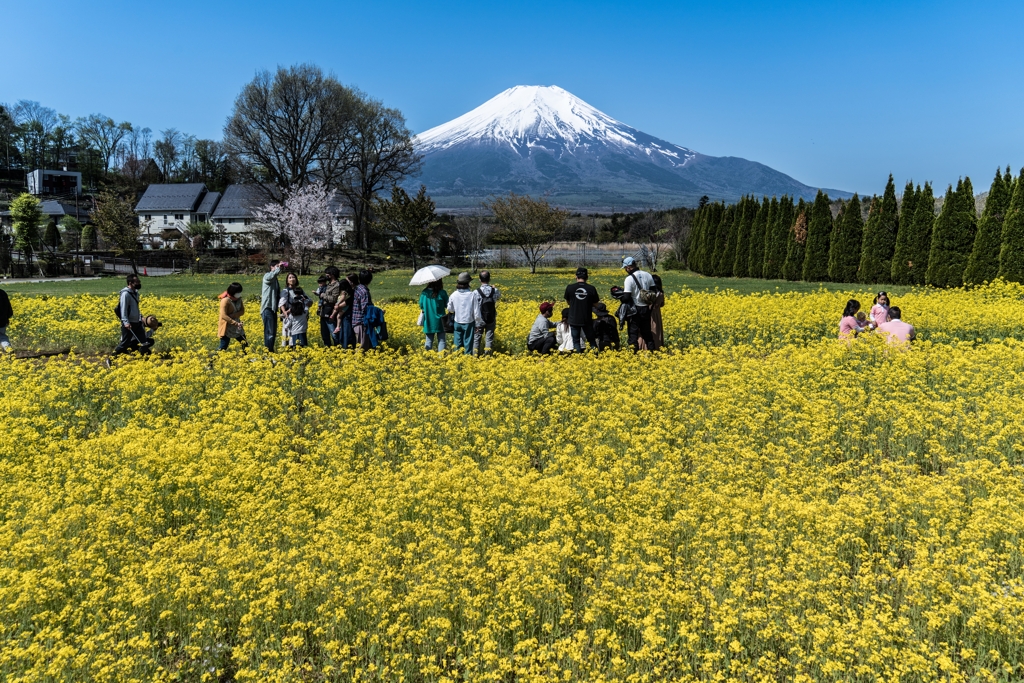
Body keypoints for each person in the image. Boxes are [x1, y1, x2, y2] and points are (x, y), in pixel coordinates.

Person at [621, 256, 656, 351]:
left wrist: (621, 297)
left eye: (625, 268)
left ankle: (634, 354)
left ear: (628, 267)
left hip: (634, 309)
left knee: (633, 333)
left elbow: (626, 297)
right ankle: (652, 352)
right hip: (646, 308)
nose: (625, 270)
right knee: (647, 333)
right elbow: (653, 291)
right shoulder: (648, 275)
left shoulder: (629, 279)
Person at [563, 267, 599, 353]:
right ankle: (596, 355)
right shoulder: (591, 288)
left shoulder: (570, 288)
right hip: (587, 318)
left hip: (573, 318)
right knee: (591, 339)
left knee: (576, 341)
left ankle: (578, 357)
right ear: (587, 277)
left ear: (576, 276)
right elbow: (596, 304)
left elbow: (568, 302)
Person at [113, 274, 150, 356]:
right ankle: (111, 358)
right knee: (124, 344)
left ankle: (144, 362)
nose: (139, 283)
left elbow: (135, 308)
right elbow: (123, 309)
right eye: (137, 282)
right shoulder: (125, 294)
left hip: (137, 322)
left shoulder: (135, 293)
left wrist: (140, 317)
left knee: (144, 343)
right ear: (130, 283)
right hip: (129, 323)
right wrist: (126, 322)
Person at [260, 260, 288, 351]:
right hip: (267, 308)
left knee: (273, 332)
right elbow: (271, 276)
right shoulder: (267, 276)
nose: (278, 268)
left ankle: (270, 350)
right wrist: (278, 268)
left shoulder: (275, 279)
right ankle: (268, 352)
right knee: (269, 332)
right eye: (276, 266)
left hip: (273, 309)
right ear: (271, 267)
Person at [447, 271, 476, 354]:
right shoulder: (472, 295)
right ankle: (467, 360)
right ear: (468, 283)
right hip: (469, 321)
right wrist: (478, 323)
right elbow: (476, 311)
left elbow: (450, 309)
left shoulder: (453, 294)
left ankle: (458, 359)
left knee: (457, 342)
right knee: (468, 343)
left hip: (457, 321)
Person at [472, 270, 500, 355]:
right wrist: (493, 288)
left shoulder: (476, 292)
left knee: (477, 338)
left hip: (479, 318)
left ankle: (475, 356)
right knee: (489, 338)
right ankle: (487, 356)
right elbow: (498, 297)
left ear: (479, 280)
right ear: (489, 279)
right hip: (491, 317)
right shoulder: (495, 290)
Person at [419, 278, 449, 352]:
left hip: (428, 320)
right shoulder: (442, 293)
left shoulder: (424, 293)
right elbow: (447, 305)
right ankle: (441, 358)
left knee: (428, 340)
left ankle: (428, 358)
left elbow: (421, 305)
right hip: (441, 320)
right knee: (442, 340)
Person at [217, 282, 247, 351]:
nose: (239, 294)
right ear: (233, 292)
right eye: (238, 292)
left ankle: (248, 358)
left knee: (244, 343)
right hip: (227, 327)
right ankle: (212, 360)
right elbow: (223, 315)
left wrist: (234, 315)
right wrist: (235, 322)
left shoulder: (239, 299)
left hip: (237, 326)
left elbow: (242, 311)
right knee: (223, 346)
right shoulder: (225, 301)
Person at [317, 267, 342, 346]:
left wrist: (322, 295)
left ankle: (337, 347)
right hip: (324, 311)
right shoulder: (328, 285)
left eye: (327, 274)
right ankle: (327, 348)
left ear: (332, 274)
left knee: (333, 332)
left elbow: (333, 299)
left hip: (331, 311)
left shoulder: (337, 285)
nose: (326, 275)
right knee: (324, 333)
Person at [331, 274, 355, 348]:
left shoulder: (352, 291)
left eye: (348, 280)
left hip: (348, 312)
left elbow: (349, 301)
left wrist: (338, 305)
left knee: (347, 332)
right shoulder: (347, 290)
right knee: (344, 331)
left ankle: (347, 347)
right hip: (345, 312)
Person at [351, 270, 373, 350]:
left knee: (360, 344)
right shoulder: (364, 291)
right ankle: (357, 361)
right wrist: (377, 312)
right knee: (362, 346)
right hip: (361, 322)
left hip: (355, 320)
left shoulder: (357, 288)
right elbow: (365, 308)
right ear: (370, 280)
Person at [278, 272, 302, 347]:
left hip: (298, 315)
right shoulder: (285, 291)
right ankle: (288, 349)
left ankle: (295, 347)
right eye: (290, 278)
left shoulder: (299, 290)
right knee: (287, 333)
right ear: (287, 280)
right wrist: (285, 312)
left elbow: (307, 299)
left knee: (296, 332)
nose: (292, 279)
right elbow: (282, 302)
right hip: (289, 315)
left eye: (293, 277)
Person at [649, 274, 666, 350]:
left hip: (650, 314)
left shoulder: (649, 294)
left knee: (652, 330)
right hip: (657, 314)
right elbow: (662, 304)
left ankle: (651, 347)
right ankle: (658, 346)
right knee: (657, 330)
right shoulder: (661, 294)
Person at [0, 287, 12, 353]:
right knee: (1, 336)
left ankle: (8, 349)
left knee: (1, 336)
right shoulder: (2, 293)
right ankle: (8, 349)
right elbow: (8, 307)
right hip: (2, 321)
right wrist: (7, 317)